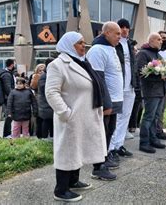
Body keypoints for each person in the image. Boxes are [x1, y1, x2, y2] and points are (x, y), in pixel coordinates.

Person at [46, 31, 116, 202]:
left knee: (77, 149)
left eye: (84, 42)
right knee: (67, 151)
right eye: (79, 43)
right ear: (69, 45)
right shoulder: (58, 64)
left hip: (86, 114)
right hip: (71, 116)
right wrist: (65, 113)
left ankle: (73, 181)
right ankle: (61, 190)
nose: (83, 45)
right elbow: (51, 92)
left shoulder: (83, 63)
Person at [86, 21, 124, 169]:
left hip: (115, 99)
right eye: (117, 33)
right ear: (107, 32)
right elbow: (98, 79)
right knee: (101, 132)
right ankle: (98, 164)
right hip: (106, 101)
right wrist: (105, 103)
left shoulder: (111, 48)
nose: (120, 37)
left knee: (109, 130)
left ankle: (105, 157)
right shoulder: (97, 50)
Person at [108, 19, 139, 160]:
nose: (125, 30)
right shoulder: (114, 45)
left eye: (127, 27)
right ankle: (111, 148)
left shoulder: (131, 44)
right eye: (122, 27)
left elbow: (133, 66)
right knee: (116, 118)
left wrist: (135, 83)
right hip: (117, 87)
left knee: (125, 117)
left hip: (130, 86)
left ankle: (119, 145)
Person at [136, 32, 166, 153]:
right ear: (151, 41)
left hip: (160, 91)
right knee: (149, 117)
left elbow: (163, 71)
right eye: (159, 39)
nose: (161, 41)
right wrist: (160, 77)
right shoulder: (143, 53)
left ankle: (153, 139)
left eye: (161, 40)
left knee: (156, 117)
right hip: (150, 91)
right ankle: (144, 142)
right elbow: (140, 73)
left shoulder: (158, 55)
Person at [154, 30, 166, 140]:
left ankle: (159, 130)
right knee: (157, 110)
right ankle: (156, 131)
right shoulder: (156, 52)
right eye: (162, 38)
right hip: (158, 86)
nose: (164, 40)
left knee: (162, 109)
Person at [38, 58, 55, 140]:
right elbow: (43, 89)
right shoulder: (44, 76)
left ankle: (52, 137)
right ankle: (44, 139)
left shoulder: (50, 74)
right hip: (46, 103)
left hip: (50, 103)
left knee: (52, 122)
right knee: (47, 121)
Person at [0, 59, 16, 138]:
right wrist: (14, 96)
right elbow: (8, 88)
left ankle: (8, 133)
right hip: (7, 98)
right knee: (9, 115)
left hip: (7, 97)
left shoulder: (8, 73)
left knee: (9, 115)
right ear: (12, 65)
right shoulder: (6, 75)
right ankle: (6, 134)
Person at [30, 64, 46, 138]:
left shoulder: (48, 75)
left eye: (43, 69)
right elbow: (33, 87)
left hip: (46, 98)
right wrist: (37, 78)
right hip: (38, 98)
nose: (41, 71)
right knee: (38, 116)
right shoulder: (35, 76)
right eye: (40, 70)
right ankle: (37, 133)